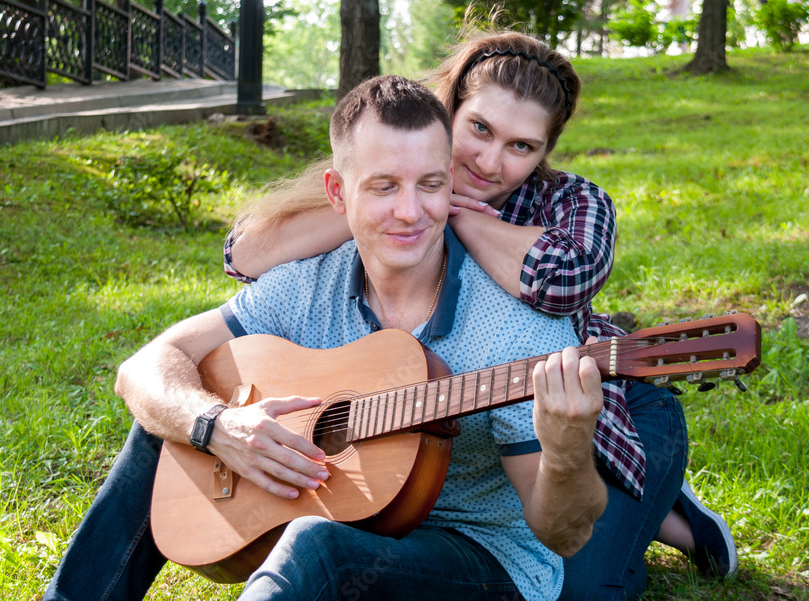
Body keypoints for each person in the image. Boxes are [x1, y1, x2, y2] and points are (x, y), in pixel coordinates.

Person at [225, 30, 736, 598]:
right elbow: (242, 256)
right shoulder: (398, 162)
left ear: (544, 153)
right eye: (479, 129)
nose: (490, 163)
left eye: (523, 146)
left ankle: (669, 514)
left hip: (607, 399)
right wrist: (397, 200)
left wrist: (459, 214)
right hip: (484, 411)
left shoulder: (569, 202)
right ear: (449, 111)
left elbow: (562, 280)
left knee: (581, 586)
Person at [90, 74, 608, 601]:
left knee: (319, 549)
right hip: (345, 518)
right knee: (174, 410)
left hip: (477, 557)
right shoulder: (306, 282)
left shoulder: (519, 328)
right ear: (338, 193)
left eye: (430, 185)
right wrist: (217, 426)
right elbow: (145, 366)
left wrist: (568, 448)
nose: (411, 212)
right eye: (384, 186)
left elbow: (562, 534)